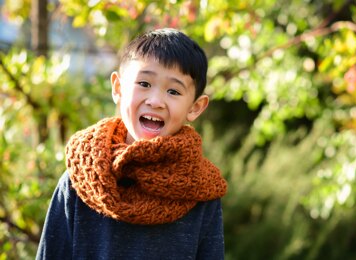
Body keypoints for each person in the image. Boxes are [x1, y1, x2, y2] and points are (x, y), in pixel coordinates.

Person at [36, 28, 228, 260]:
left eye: (173, 91)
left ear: (195, 107)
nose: (156, 101)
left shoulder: (200, 190)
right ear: (118, 88)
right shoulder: (80, 179)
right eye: (144, 83)